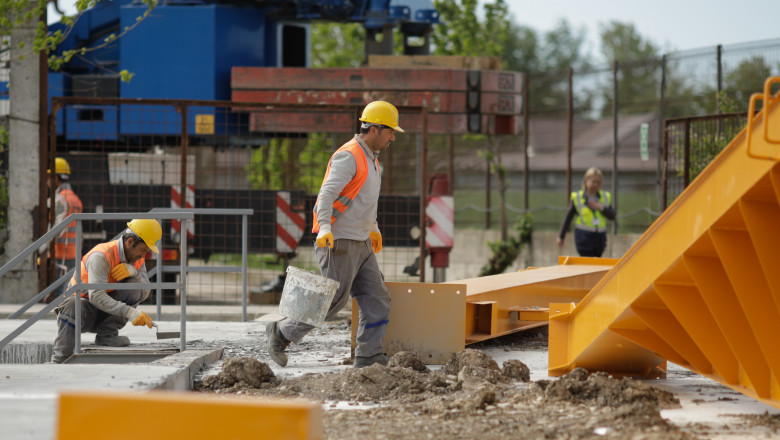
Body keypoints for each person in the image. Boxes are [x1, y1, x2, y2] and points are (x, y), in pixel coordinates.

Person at [266, 101, 403, 369]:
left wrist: (373, 229)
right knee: (332, 301)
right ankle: (281, 332)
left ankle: (368, 354)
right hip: (339, 240)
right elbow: (326, 195)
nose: (393, 138)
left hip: (361, 241)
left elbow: (365, 201)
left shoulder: (372, 160)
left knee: (377, 297)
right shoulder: (349, 155)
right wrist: (325, 228)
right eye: (390, 131)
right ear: (374, 129)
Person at [49, 219, 161, 363]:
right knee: (73, 305)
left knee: (135, 287)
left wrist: (133, 271)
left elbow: (144, 291)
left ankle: (107, 335)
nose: (144, 255)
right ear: (130, 242)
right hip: (83, 312)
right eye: (144, 250)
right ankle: (60, 359)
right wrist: (130, 312)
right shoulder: (101, 256)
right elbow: (96, 296)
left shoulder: (137, 257)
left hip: (105, 311)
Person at [42, 157, 84, 301]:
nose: (48, 181)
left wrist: (41, 248)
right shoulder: (75, 199)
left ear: (55, 178)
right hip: (74, 252)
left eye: (49, 177)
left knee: (61, 295)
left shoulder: (60, 199)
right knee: (69, 291)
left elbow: (56, 228)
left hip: (61, 254)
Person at [557, 167, 615, 257]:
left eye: (598, 182)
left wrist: (601, 207)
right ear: (586, 181)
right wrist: (561, 236)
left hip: (600, 239)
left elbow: (612, 215)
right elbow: (568, 218)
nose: (596, 184)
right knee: (587, 261)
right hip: (584, 238)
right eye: (593, 182)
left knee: (597, 262)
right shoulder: (577, 197)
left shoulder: (605, 196)